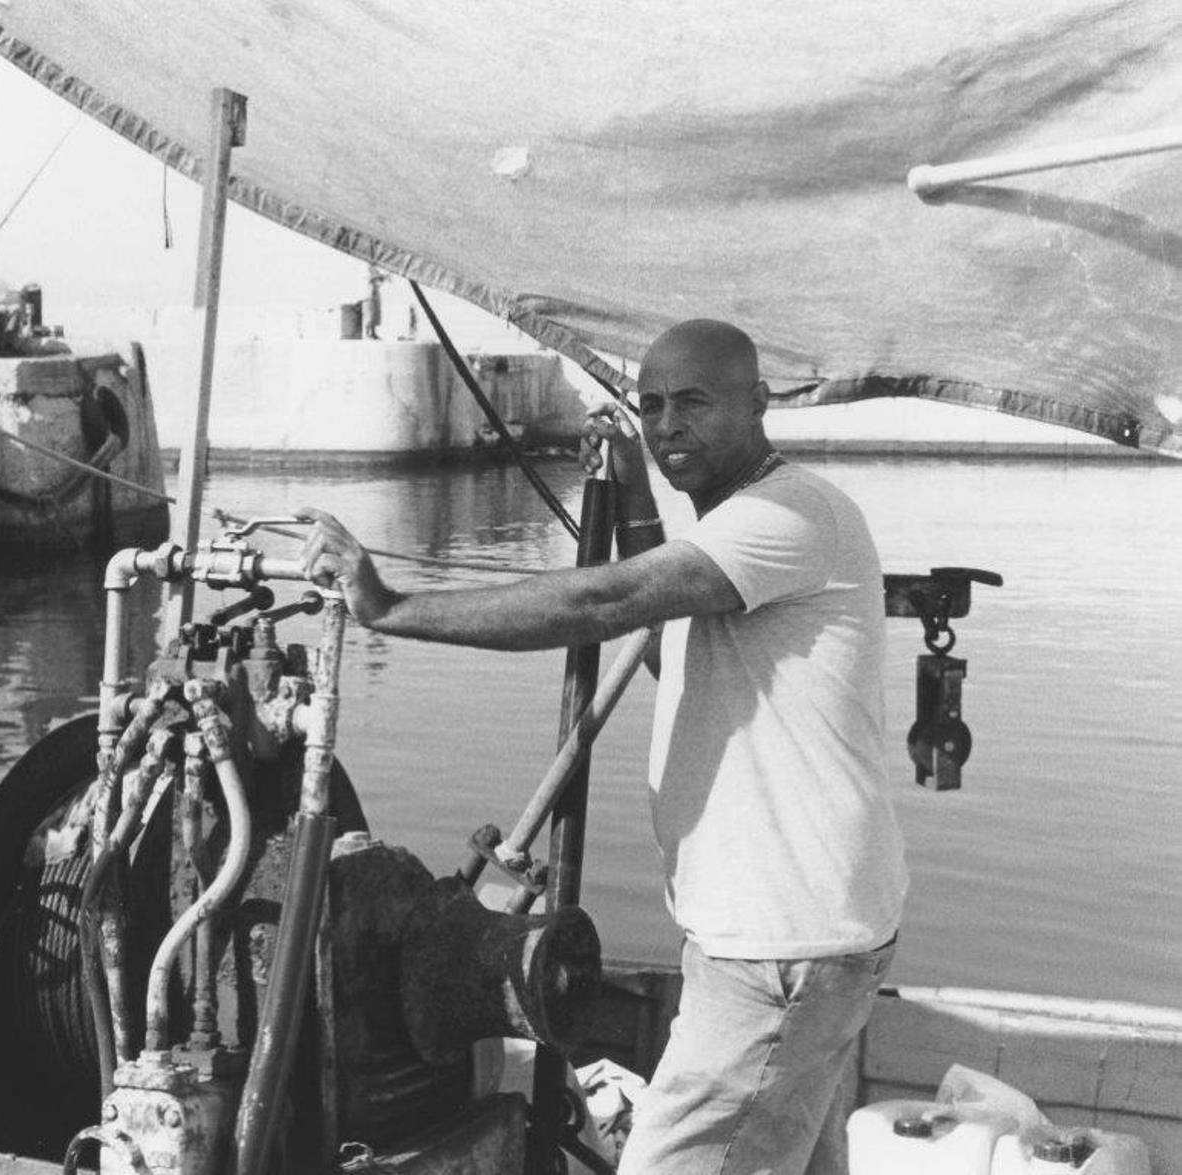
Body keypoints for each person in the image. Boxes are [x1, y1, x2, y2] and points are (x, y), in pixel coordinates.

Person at [298, 318, 907, 1175]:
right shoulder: (734, 533)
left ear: (760, 402)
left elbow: (605, 604)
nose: (667, 424)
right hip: (784, 932)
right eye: (651, 404)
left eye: (693, 401)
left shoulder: (790, 512)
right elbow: (664, 647)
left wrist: (392, 607)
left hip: (782, 946)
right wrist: (630, 493)